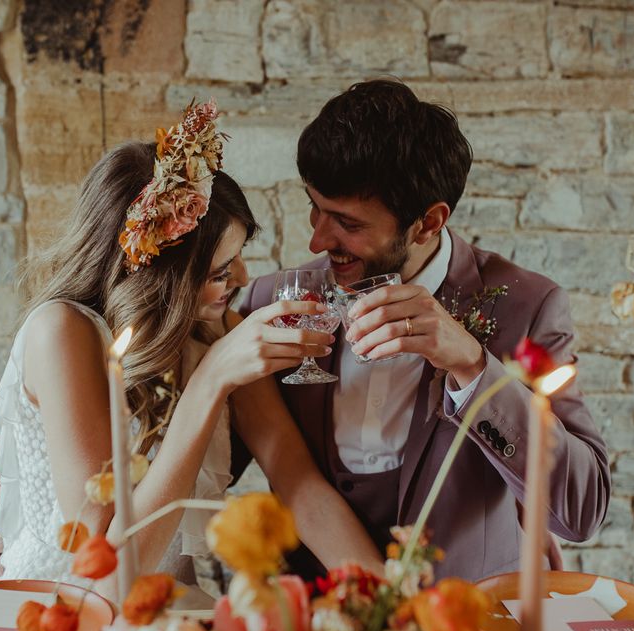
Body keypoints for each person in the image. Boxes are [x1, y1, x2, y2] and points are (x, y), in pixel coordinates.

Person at [0, 101, 382, 599]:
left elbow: (300, 485)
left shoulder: (214, 328)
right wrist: (210, 382)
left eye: (236, 259)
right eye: (218, 273)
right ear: (155, 280)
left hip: (172, 611)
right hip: (65, 614)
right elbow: (107, 570)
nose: (242, 281)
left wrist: (394, 597)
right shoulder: (63, 333)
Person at [239, 79, 610, 582]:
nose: (318, 238)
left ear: (428, 222)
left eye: (347, 222)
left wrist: (473, 367)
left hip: (465, 630)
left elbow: (582, 508)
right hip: (304, 628)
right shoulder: (274, 302)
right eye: (315, 206)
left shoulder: (527, 310)